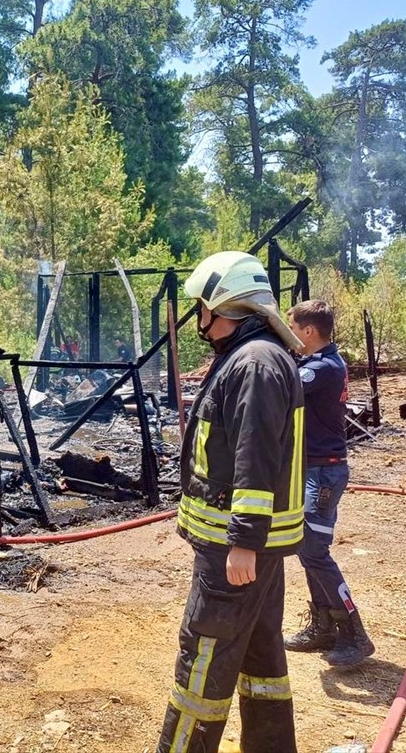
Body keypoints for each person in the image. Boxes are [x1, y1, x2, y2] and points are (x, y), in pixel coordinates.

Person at [156, 251, 306, 753]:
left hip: (234, 551)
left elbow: (255, 456)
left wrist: (243, 540)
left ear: (228, 307)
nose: (200, 318)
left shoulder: (255, 363)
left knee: (203, 659)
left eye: (204, 307)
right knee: (260, 656)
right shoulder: (255, 357)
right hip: (252, 549)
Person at [283, 300, 375, 667]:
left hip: (322, 472)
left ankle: (355, 634)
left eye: (291, 328)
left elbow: (281, 388)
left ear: (308, 331)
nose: (290, 335)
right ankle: (323, 628)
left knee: (314, 551)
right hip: (313, 469)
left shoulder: (321, 368)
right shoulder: (318, 364)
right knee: (307, 550)